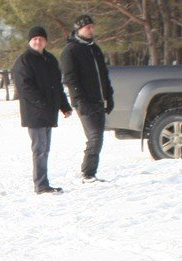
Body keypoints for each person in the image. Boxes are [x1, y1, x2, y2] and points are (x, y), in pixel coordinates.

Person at [12, 26, 72, 194]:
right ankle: (41, 185)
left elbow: (57, 86)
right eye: (34, 39)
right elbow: (24, 87)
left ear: (46, 41)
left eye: (41, 39)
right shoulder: (24, 60)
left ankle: (44, 183)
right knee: (39, 149)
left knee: (45, 149)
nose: (38, 41)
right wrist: (42, 102)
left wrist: (64, 106)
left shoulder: (51, 60)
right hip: (34, 113)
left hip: (49, 112)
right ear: (29, 41)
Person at [60, 14, 114, 182]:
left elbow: (104, 75)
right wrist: (79, 100)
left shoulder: (94, 49)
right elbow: (70, 78)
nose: (91, 30)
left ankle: (90, 172)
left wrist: (109, 96)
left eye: (92, 27)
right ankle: (88, 173)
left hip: (99, 99)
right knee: (95, 136)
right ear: (78, 29)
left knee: (97, 137)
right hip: (84, 101)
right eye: (87, 27)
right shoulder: (70, 50)